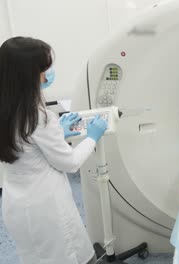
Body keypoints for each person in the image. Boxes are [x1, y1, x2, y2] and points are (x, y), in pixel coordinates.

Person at [0, 37, 108, 264]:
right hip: (47, 206)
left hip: (16, 205)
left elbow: (25, 146)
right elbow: (70, 163)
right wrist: (91, 137)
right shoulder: (38, 116)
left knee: (35, 257)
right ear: (28, 74)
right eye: (44, 68)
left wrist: (58, 131)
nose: (48, 73)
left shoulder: (8, 108)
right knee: (67, 255)